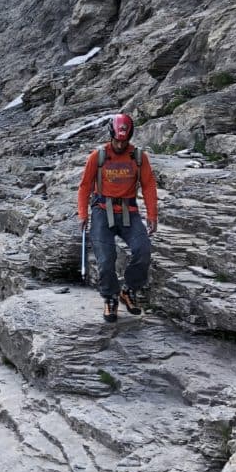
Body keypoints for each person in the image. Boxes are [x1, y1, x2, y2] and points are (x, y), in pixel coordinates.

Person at [76, 113, 158, 323]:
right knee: (105, 259)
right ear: (111, 134)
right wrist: (83, 214)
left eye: (125, 141)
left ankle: (128, 290)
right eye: (118, 140)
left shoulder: (138, 157)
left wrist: (152, 214)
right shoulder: (99, 155)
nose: (121, 145)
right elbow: (85, 186)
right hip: (102, 210)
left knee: (143, 250)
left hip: (129, 210)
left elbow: (148, 185)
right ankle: (110, 297)